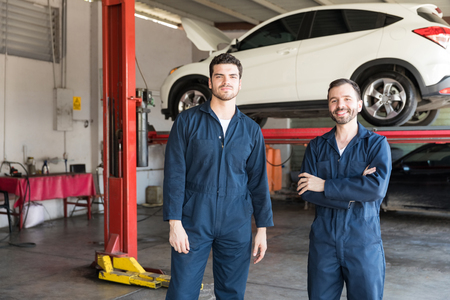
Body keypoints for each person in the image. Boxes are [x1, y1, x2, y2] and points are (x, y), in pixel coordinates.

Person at [163, 53, 274, 300]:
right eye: (220, 76)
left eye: (232, 76)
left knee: (232, 293)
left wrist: (262, 229)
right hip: (193, 219)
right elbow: (174, 174)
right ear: (210, 83)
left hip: (236, 220)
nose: (226, 81)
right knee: (182, 292)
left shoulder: (251, 129)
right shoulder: (187, 122)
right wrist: (174, 222)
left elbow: (258, 181)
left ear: (240, 83)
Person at [297, 78, 392, 300]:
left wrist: (325, 185)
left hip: (363, 242)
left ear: (359, 105)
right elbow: (306, 190)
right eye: (334, 100)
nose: (341, 105)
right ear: (329, 106)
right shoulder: (316, 146)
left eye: (347, 99)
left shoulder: (376, 144)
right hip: (324, 243)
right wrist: (357, 189)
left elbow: (376, 189)